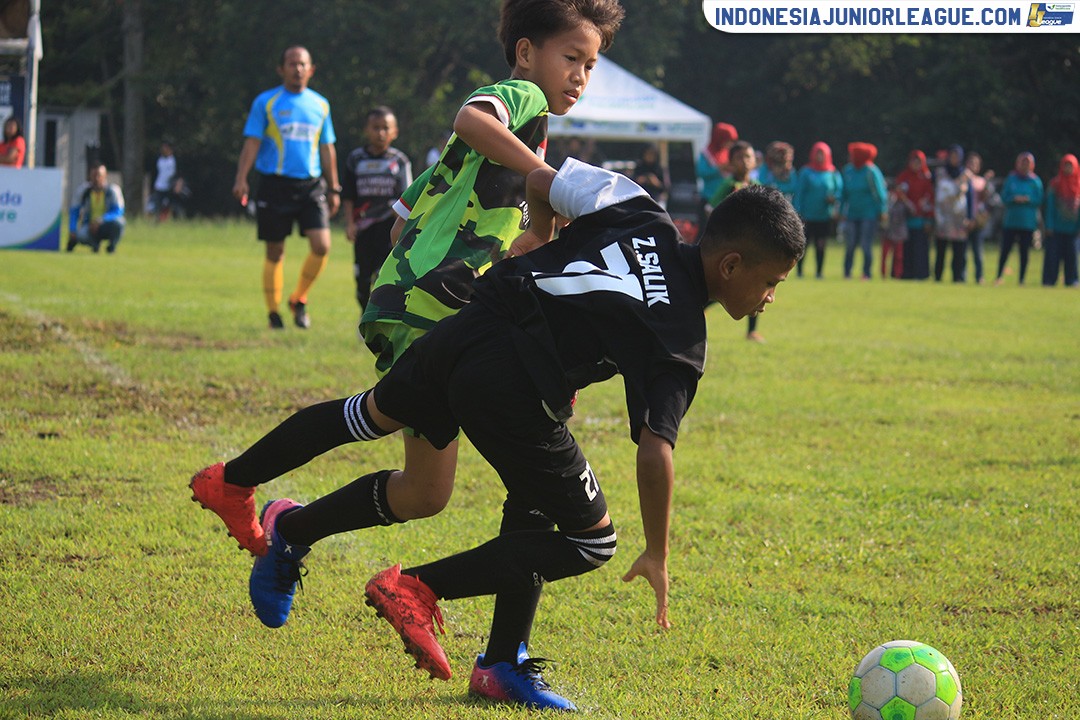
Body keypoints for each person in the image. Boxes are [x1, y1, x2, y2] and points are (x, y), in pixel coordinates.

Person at [190, 158, 805, 710]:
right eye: (770, 281)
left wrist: (539, 235)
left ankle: (248, 493)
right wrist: (658, 553)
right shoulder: (679, 342)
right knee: (593, 541)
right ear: (731, 265)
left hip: (470, 324)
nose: (770, 296)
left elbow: (542, 180)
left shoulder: (638, 206)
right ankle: (418, 587)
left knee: (370, 417)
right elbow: (656, 450)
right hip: (510, 384)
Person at [192, 0, 626, 710]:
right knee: (520, 451)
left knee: (426, 492)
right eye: (570, 58)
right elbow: (471, 120)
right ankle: (238, 487)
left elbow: (428, 224)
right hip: (433, 309)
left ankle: (288, 528)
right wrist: (540, 182)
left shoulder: (532, 151)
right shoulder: (517, 102)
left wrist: (548, 216)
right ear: (525, 54)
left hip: (435, 307)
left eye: (591, 65)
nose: (580, 75)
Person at [232, 45, 341, 330]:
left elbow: (327, 147)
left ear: (311, 69)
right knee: (275, 251)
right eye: (292, 64)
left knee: (322, 245)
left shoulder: (320, 105)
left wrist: (334, 187)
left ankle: (299, 299)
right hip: (274, 185)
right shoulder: (266, 103)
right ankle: (273, 314)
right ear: (281, 69)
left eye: (303, 64)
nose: (298, 69)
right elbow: (252, 142)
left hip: (311, 186)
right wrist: (241, 177)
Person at [342, 106, 413, 314]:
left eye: (385, 128)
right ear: (366, 130)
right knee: (362, 280)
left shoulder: (399, 161)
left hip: (389, 230)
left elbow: (408, 196)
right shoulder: (356, 159)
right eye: (375, 127)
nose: (380, 133)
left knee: (386, 277)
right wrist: (349, 223)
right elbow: (348, 194)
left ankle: (380, 318)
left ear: (394, 132)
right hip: (363, 230)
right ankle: (364, 315)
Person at [710, 140, 766, 342]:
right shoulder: (727, 185)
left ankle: (752, 330)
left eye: (748, 157)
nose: (744, 161)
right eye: (739, 157)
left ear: (754, 161)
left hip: (752, 247)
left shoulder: (756, 187)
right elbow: (711, 209)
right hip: (729, 248)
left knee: (758, 286)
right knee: (719, 286)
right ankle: (697, 310)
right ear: (731, 162)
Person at [794, 141, 842, 279]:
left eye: (822, 154)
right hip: (807, 215)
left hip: (824, 215)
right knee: (804, 245)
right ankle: (799, 272)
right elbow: (800, 193)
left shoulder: (832, 173)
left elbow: (839, 191)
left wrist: (834, 199)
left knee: (821, 244)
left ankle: (819, 272)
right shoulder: (806, 172)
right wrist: (798, 212)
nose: (819, 157)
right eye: (817, 153)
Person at [840, 142, 887, 280]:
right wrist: (842, 210)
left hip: (869, 215)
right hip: (851, 214)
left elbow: (880, 193)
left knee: (866, 245)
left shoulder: (871, 171)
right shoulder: (847, 170)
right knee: (850, 244)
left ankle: (866, 273)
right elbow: (844, 193)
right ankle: (847, 272)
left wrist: (882, 210)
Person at [995, 152, 1043, 285]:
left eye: (1028, 162)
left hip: (1027, 223)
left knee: (1024, 252)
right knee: (1005, 250)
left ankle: (1022, 279)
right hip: (1010, 222)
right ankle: (998, 276)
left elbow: (1039, 199)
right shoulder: (1011, 178)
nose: (1025, 165)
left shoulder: (1035, 181)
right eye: (1023, 162)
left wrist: (1028, 199)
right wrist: (1014, 198)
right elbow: (1004, 197)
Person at [66, 164, 125, 253]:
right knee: (81, 235)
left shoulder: (113, 190)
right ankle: (94, 245)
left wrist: (101, 220)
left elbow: (119, 211)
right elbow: (74, 211)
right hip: (89, 226)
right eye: (94, 175)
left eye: (99, 175)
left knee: (120, 222)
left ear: (105, 176)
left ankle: (111, 246)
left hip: (106, 225)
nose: (96, 178)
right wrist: (72, 229)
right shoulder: (84, 191)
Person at [933, 145, 970, 283]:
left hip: (959, 217)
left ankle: (958, 277)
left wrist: (970, 216)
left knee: (959, 250)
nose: (954, 159)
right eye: (952, 156)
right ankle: (938, 276)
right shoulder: (940, 172)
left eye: (957, 156)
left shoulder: (965, 174)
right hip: (942, 216)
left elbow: (970, 197)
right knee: (941, 249)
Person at [1042, 153, 1080, 287]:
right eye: (1066, 165)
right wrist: (1049, 226)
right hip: (1056, 228)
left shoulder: (1079, 185)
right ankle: (1049, 280)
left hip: (1073, 229)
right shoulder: (1055, 184)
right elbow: (1050, 207)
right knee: (1052, 257)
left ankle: (1072, 280)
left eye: (1070, 165)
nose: (1068, 168)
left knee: (1072, 257)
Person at [896, 150, 934, 280]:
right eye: (914, 161)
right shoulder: (904, 176)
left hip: (921, 219)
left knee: (921, 248)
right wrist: (908, 204)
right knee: (906, 249)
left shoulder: (926, 177)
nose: (916, 164)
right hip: (905, 219)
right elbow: (898, 193)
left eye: (919, 162)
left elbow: (930, 197)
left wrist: (928, 218)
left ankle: (921, 274)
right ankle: (906, 273)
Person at [965, 152, 996, 284]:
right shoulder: (962, 178)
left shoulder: (981, 181)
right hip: (963, 220)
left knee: (978, 251)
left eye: (976, 163)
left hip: (977, 220)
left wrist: (987, 182)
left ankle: (979, 277)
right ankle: (961, 276)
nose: (973, 165)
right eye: (971, 162)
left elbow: (986, 199)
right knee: (963, 252)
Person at [697, 122, 738, 209]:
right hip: (709, 198)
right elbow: (700, 172)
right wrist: (718, 168)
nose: (729, 144)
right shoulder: (706, 154)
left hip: (725, 198)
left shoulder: (728, 153)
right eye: (727, 140)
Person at [148, 141, 178, 220]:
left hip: (169, 187)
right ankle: (158, 219)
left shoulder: (173, 161)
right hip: (159, 186)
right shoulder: (160, 160)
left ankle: (167, 218)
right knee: (157, 203)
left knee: (168, 204)